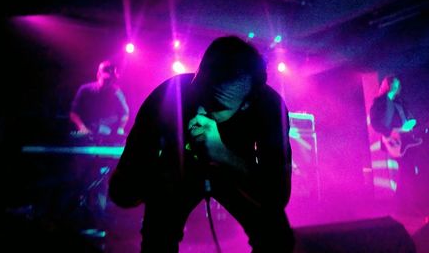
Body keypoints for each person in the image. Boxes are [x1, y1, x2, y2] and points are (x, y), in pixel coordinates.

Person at [109, 36, 295, 252]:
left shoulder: (269, 107)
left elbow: (278, 194)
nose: (198, 112)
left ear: (246, 105)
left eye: (216, 105)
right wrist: (145, 176)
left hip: (236, 173)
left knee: (276, 238)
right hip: (178, 171)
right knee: (157, 236)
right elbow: (122, 193)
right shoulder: (168, 95)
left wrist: (223, 155)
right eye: (198, 92)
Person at [369, 75, 421, 214]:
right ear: (387, 85)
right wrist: (390, 132)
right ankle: (407, 206)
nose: (396, 87)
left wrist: (415, 125)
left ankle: (402, 206)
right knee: (407, 171)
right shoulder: (379, 102)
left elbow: (408, 120)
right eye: (393, 85)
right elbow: (375, 123)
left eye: (397, 85)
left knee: (407, 172)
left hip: (406, 140)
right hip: (393, 141)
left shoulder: (401, 102)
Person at [70, 60, 129, 139]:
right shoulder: (85, 90)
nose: (108, 83)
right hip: (88, 130)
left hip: (109, 132)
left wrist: (120, 129)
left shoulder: (117, 92)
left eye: (111, 80)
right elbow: (74, 113)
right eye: (106, 79)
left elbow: (125, 113)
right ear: (98, 75)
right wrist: (82, 128)